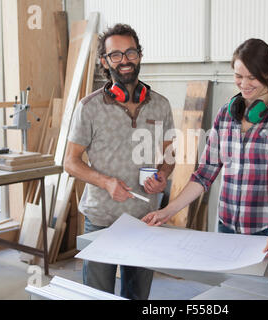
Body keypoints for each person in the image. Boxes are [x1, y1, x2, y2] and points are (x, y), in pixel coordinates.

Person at [142, 38, 268, 258]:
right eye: (238, 76)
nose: (244, 84)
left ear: (267, 75)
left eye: (251, 77)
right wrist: (167, 211)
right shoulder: (226, 114)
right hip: (227, 227)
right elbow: (204, 174)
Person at [64, 23, 176, 299]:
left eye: (131, 52)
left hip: (145, 220)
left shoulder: (161, 105)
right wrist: (105, 182)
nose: (124, 60)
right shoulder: (88, 108)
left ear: (139, 55)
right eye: (115, 54)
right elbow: (70, 162)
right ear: (104, 61)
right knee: (98, 296)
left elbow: (170, 156)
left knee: (138, 296)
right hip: (102, 220)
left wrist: (163, 175)